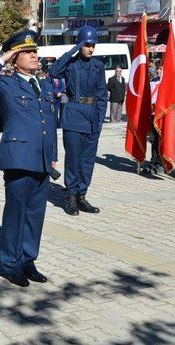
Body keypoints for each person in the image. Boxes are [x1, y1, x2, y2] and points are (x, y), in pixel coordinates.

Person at [0, 30, 58, 287]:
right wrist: (4, 58)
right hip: (18, 158)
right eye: (28, 52)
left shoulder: (43, 84)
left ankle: (27, 260)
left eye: (36, 52)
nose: (35, 56)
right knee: (16, 213)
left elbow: (50, 121)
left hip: (42, 158)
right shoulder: (6, 84)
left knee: (35, 214)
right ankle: (11, 264)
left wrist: (53, 155)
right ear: (15, 57)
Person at [49, 25, 106, 216]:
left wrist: (99, 122)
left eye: (93, 45)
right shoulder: (71, 64)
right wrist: (73, 49)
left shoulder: (98, 66)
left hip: (91, 114)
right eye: (87, 44)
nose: (91, 48)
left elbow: (102, 95)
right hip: (73, 113)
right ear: (81, 44)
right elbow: (54, 71)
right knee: (73, 159)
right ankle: (71, 197)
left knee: (88, 160)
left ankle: (82, 195)